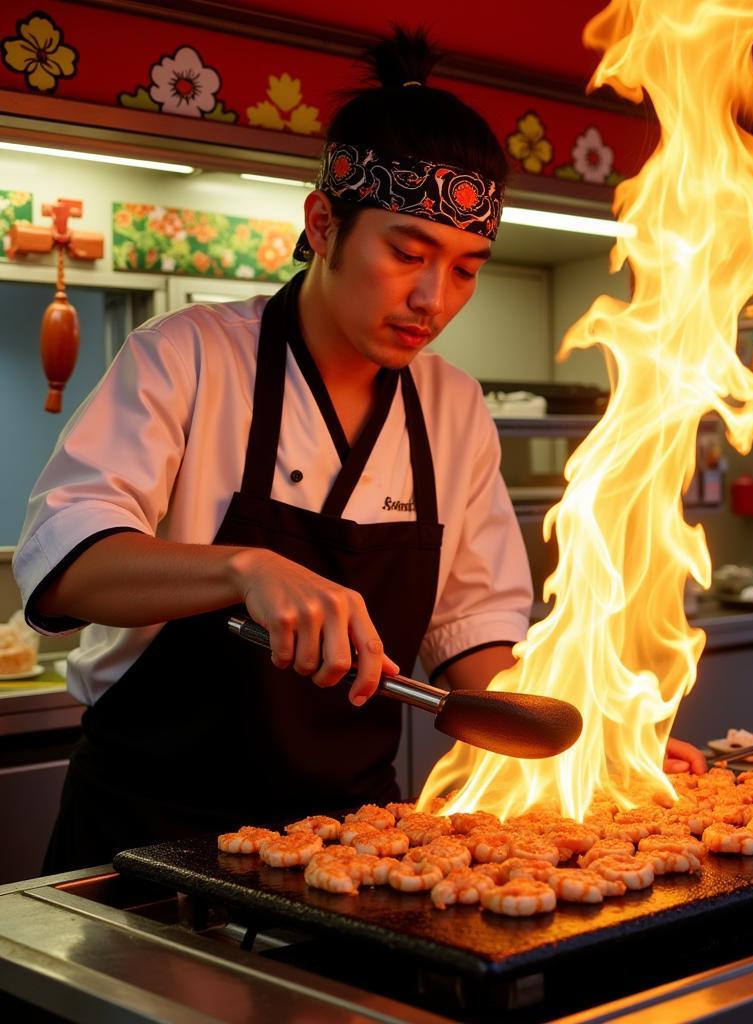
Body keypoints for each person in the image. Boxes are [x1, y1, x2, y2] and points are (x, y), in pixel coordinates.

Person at [15, 30, 706, 873]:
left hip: (344, 849)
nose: (432, 298)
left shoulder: (450, 406)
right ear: (323, 222)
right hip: (148, 827)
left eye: (465, 268)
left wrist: (600, 743)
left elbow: (475, 647)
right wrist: (246, 571)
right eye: (408, 253)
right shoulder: (189, 355)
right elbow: (64, 564)